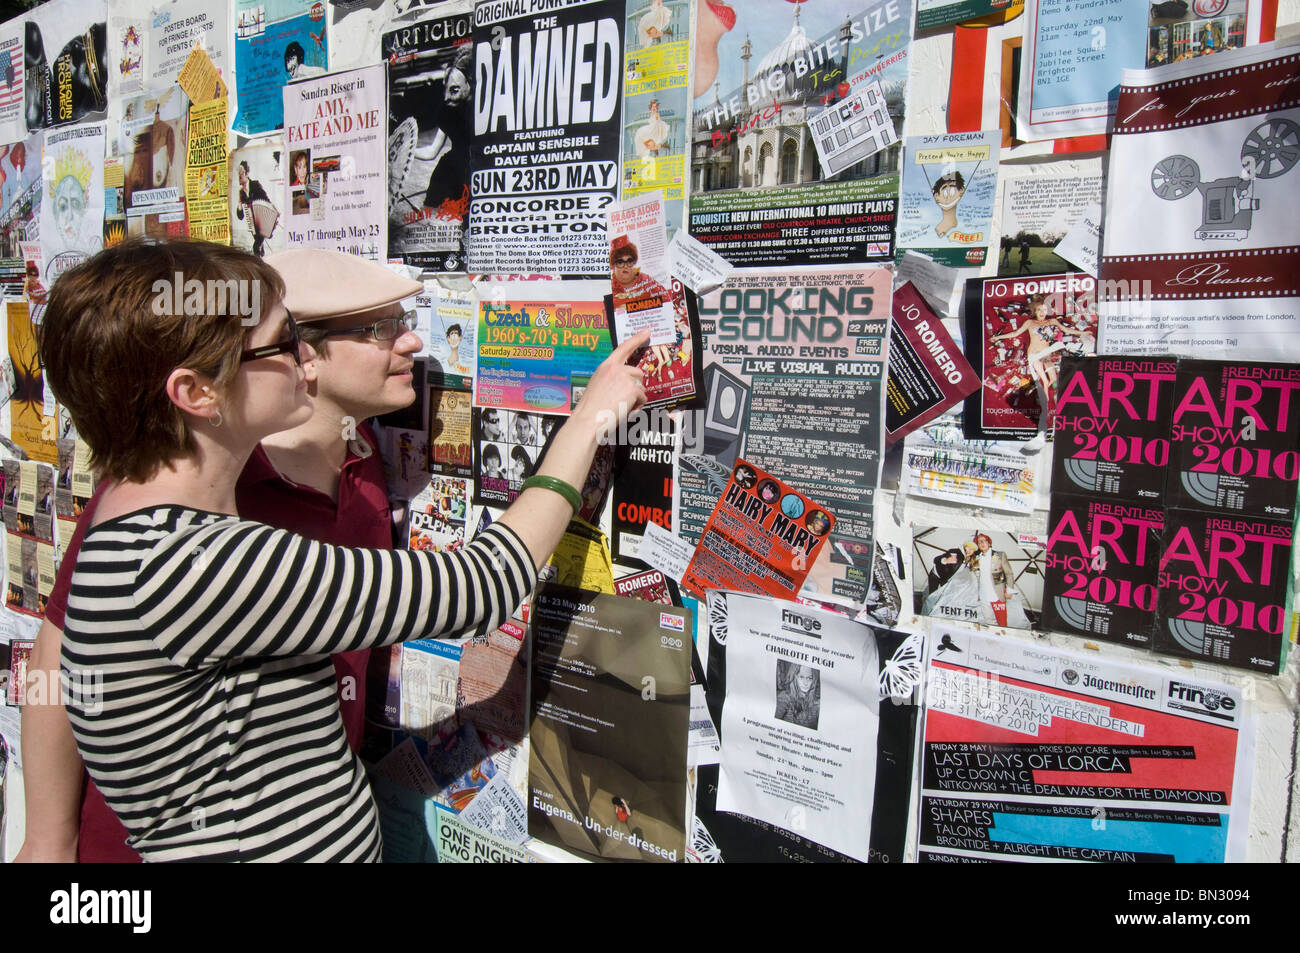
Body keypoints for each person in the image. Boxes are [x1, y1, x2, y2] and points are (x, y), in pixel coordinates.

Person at [26, 237, 648, 861]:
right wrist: (588, 419)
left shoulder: (134, 527)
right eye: (280, 344)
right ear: (196, 393)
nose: (301, 357)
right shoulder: (192, 565)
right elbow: (482, 584)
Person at [17, 247, 426, 862]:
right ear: (303, 356)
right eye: (379, 328)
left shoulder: (366, 463)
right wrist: (46, 841)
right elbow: (57, 657)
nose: (412, 341)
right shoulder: (175, 491)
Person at [235, 161, 275, 257]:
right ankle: (263, 259)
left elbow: (266, 200)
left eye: (242, 173)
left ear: (247, 173)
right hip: (253, 225)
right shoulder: (242, 193)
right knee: (259, 248)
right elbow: (240, 216)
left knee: (256, 247)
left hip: (263, 223)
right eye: (239, 174)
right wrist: (239, 202)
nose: (240, 176)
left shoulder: (255, 185)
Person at [775, 664, 819, 729]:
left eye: (809, 678)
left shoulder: (816, 702)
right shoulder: (784, 697)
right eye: (801, 677)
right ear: (794, 677)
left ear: (814, 680)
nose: (805, 683)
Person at [931, 169, 965, 238]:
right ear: (936, 196)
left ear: (961, 191)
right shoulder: (938, 229)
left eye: (952, 192)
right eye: (945, 194)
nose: (948, 198)